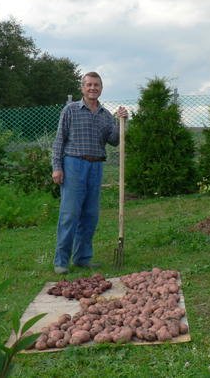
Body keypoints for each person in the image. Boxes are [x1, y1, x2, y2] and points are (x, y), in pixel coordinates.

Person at [51, 71, 128, 274]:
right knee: (70, 214)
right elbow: (59, 141)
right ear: (82, 88)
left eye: (96, 85)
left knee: (90, 215)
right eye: (89, 85)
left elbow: (114, 140)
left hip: (96, 166)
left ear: (101, 89)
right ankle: (61, 261)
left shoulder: (105, 115)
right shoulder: (71, 110)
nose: (93, 88)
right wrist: (57, 167)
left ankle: (82, 258)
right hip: (73, 164)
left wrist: (122, 122)